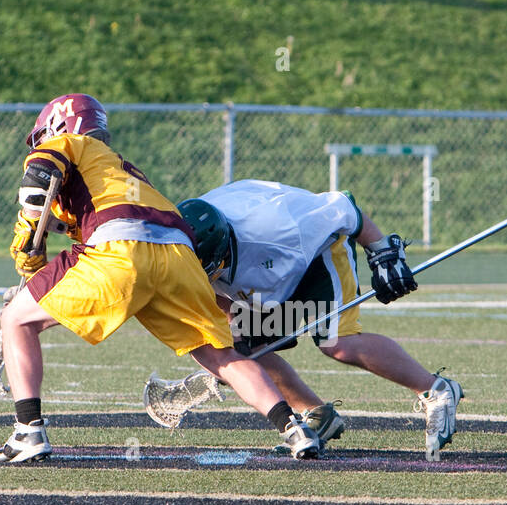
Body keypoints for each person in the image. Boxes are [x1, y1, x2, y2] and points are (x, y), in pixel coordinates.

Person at [0, 95, 322, 462]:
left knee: (15, 319)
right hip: (179, 254)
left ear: (57, 125)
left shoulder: (66, 144)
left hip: (120, 247)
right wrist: (36, 252)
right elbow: (73, 221)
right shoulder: (119, 170)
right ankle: (294, 428)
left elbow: (38, 181)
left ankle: (28, 431)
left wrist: (27, 233)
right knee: (220, 354)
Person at [176, 180, 464, 460]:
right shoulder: (178, 240)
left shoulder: (280, 227)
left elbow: (344, 207)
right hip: (266, 280)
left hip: (317, 257)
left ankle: (436, 389)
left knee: (338, 343)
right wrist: (234, 338)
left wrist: (381, 250)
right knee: (250, 350)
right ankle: (317, 414)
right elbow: (210, 288)